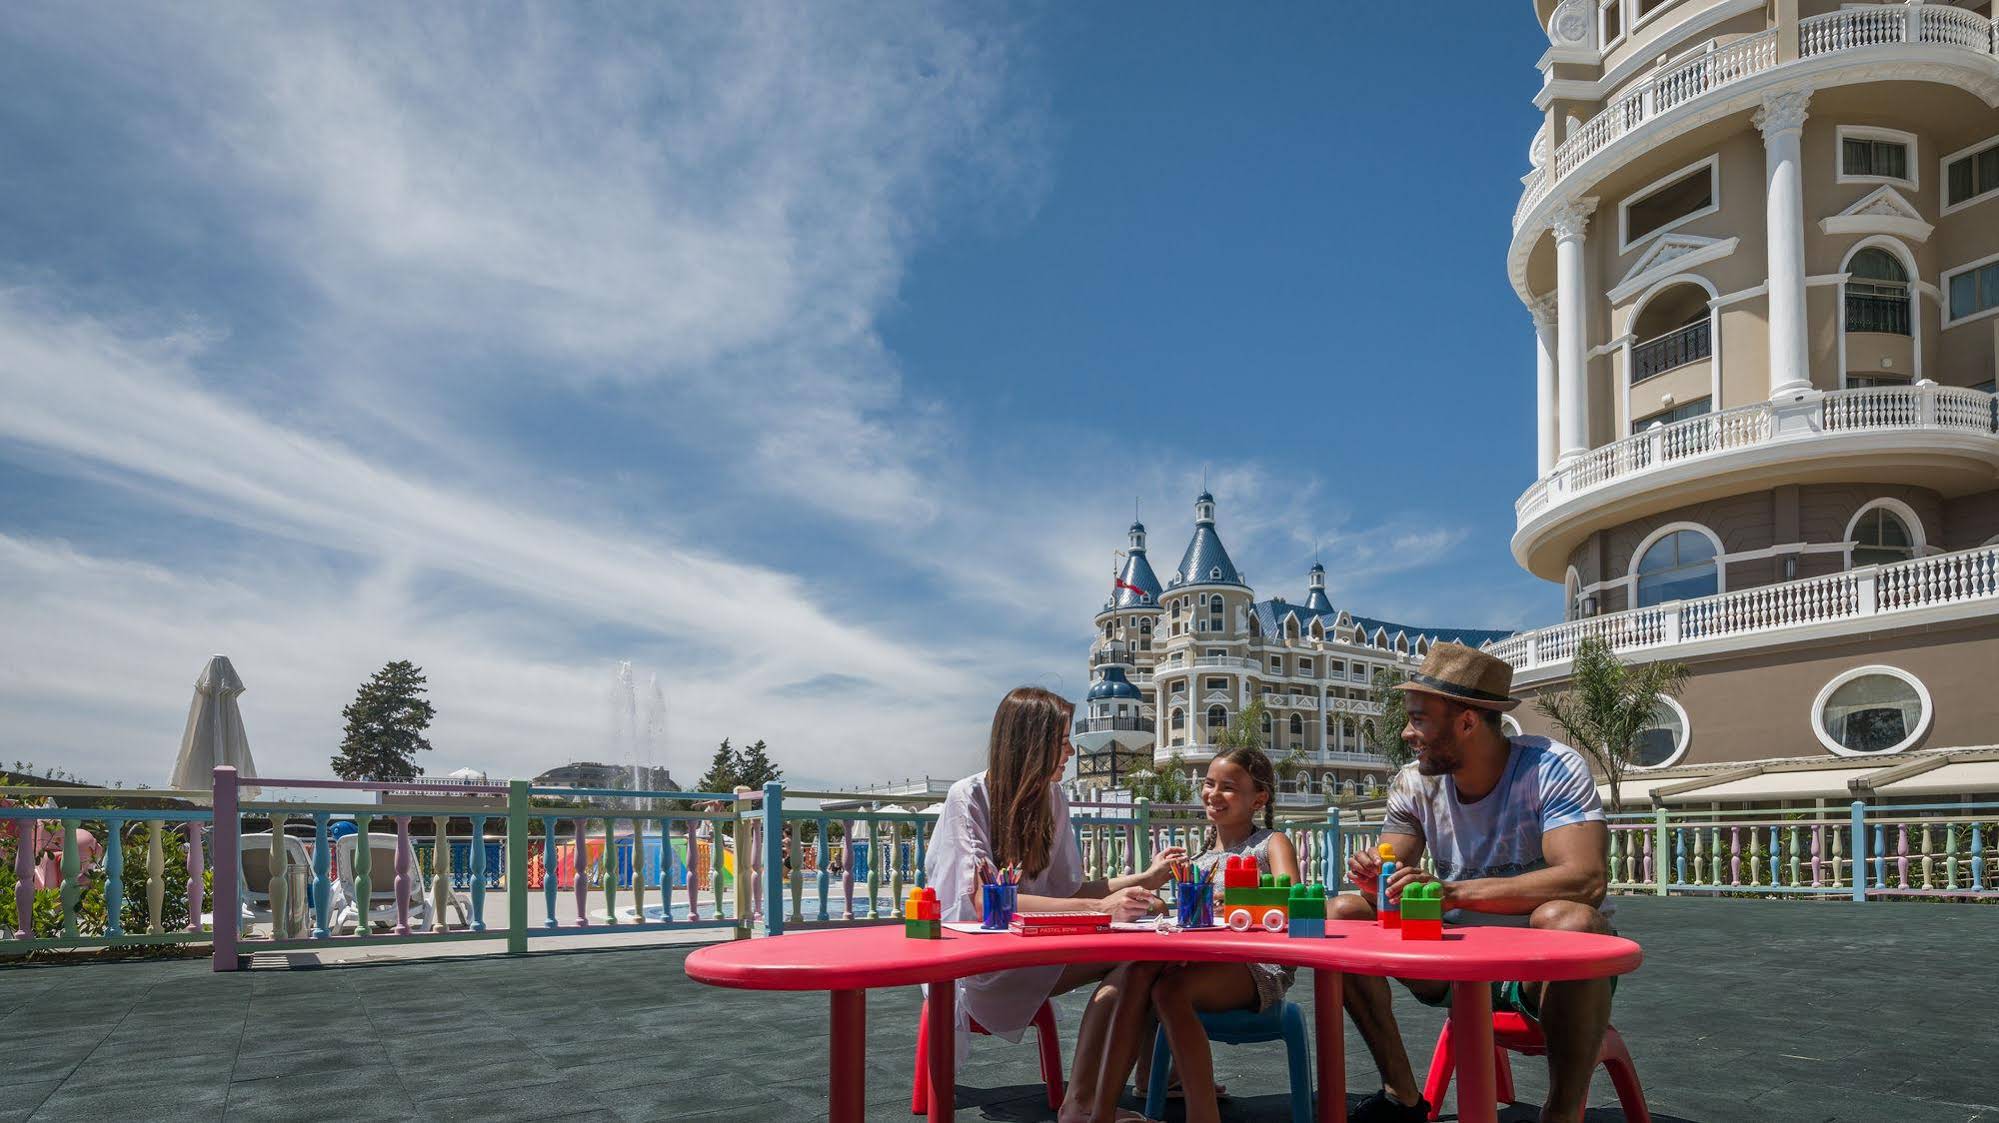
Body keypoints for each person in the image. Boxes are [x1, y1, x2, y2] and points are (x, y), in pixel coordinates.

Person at [1334, 643, 1613, 1123]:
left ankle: (1562, 1114)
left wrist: (1454, 893)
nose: (1406, 732)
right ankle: (1402, 1095)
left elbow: (1586, 879)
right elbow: (1392, 879)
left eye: (1419, 719)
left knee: (1567, 918)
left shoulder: (1551, 768)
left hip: (1542, 973)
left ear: (1466, 722)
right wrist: (1373, 878)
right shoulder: (1412, 783)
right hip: (1452, 965)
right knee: (1342, 913)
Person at [925, 686, 1187, 1123]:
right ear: (1029, 742)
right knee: (1132, 958)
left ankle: (1106, 1093)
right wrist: (1102, 911)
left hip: (1037, 947)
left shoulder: (1053, 799)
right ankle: (1086, 1101)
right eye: (1060, 739)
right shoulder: (967, 797)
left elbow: (1070, 891)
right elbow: (988, 901)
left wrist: (1144, 879)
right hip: (980, 963)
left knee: (1142, 958)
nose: (1069, 749)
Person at [1086, 745, 1298, 1123]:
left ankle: (1203, 1115)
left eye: (1229, 787)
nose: (1213, 794)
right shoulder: (1196, 861)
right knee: (1135, 971)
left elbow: (1293, 900)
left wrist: (1237, 903)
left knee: (1169, 989)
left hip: (1255, 965)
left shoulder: (1270, 843)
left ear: (1259, 797)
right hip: (1201, 960)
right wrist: (1157, 907)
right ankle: (1100, 1112)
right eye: (1208, 783)